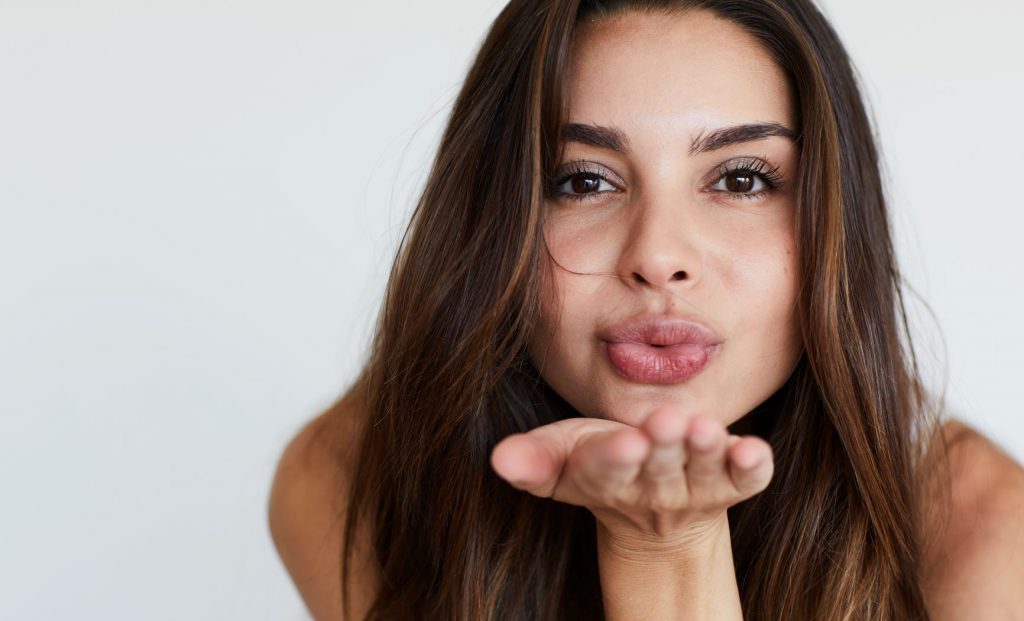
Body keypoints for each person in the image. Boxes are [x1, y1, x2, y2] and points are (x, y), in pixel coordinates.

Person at [268, 0, 1024, 619]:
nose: (659, 256)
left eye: (740, 179)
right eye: (583, 181)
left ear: (836, 223)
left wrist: (667, 547)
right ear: (491, 226)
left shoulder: (987, 532)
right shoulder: (351, 479)